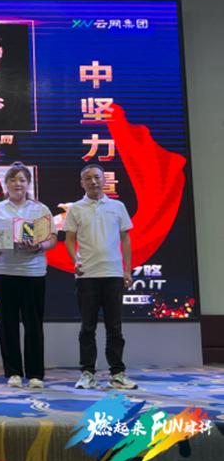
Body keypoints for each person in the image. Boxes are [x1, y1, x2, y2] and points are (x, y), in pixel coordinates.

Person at [0, 162, 57, 389]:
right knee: (7, 324)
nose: (17, 184)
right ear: (6, 184)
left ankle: (35, 374)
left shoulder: (40, 210)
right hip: (3, 270)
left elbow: (52, 239)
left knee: (34, 324)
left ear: (28, 183)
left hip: (32, 271)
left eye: (22, 180)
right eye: (13, 180)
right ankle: (13, 372)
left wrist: (38, 246)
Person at [64, 164, 137, 390]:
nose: (93, 182)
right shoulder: (75, 209)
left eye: (97, 177)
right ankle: (87, 374)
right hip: (87, 275)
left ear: (105, 180)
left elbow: (125, 239)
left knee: (114, 327)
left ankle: (117, 374)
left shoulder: (117, 206)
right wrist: (75, 260)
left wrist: (127, 270)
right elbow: (69, 239)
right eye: (88, 178)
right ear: (82, 183)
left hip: (113, 274)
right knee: (87, 328)